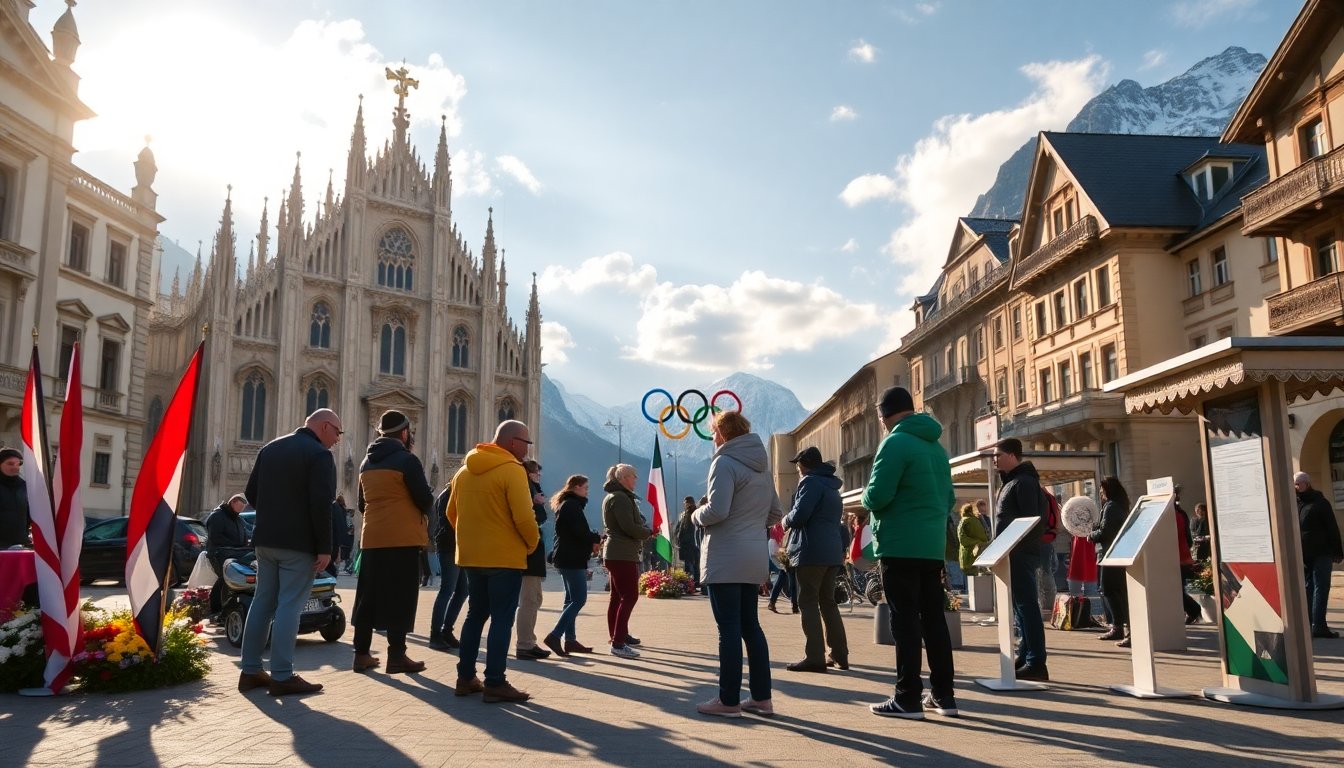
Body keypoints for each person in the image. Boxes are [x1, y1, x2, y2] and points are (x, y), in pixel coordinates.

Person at [861, 386, 958, 719]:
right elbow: (949, 499)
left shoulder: (894, 443)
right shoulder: (936, 448)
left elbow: (878, 496)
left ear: (885, 413)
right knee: (934, 619)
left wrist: (865, 500)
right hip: (931, 546)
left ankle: (907, 697)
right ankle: (945, 696)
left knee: (904, 621)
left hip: (899, 543)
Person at [239, 408, 341, 697]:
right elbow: (321, 505)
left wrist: (274, 513)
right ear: (324, 426)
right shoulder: (319, 456)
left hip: (265, 540)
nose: (336, 440)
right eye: (337, 433)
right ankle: (282, 675)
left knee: (262, 602)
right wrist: (325, 548)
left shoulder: (270, 448)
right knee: (290, 606)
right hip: (297, 545)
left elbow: (251, 494)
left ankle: (250, 671)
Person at [693, 410, 783, 718]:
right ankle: (761, 697)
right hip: (753, 554)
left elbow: (717, 510)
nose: (713, 438)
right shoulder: (761, 466)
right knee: (751, 627)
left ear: (722, 432)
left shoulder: (724, 461)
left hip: (726, 555)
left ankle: (728, 700)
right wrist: (751, 524)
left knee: (728, 629)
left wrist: (696, 515)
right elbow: (775, 513)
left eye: (714, 432)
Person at [446, 419, 540, 704]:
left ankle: (465, 677)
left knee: (475, 614)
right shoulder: (512, 471)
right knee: (502, 618)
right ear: (513, 442)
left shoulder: (463, 472)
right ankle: (495, 682)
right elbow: (524, 517)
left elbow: (451, 514)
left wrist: (472, 539)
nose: (527, 448)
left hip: (471, 558)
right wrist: (532, 543)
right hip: (504, 558)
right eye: (526, 442)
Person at [352, 409, 434, 675]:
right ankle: (396, 656)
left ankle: (361, 654)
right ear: (404, 432)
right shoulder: (407, 461)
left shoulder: (366, 463)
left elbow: (362, 504)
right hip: (402, 538)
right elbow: (424, 498)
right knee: (401, 598)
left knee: (368, 597)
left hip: (372, 538)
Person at [782, 446, 849, 673]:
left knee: (808, 602)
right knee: (828, 603)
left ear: (805, 464)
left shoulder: (809, 482)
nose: (798, 469)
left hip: (811, 552)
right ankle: (839, 654)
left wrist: (784, 521)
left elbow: (800, 515)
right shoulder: (832, 486)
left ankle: (814, 657)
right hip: (831, 552)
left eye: (799, 465)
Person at [991, 437, 1050, 681]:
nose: (995, 459)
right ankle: (1026, 655)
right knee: (1019, 607)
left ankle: (1036, 662)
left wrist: (1014, 546)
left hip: (1020, 552)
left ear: (1013, 455)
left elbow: (1030, 521)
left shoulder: (1024, 482)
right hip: (1011, 552)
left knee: (1027, 605)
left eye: (998, 454)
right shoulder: (1012, 482)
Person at [543, 474, 602, 657]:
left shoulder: (568, 505)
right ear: (576, 487)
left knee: (570, 600)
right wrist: (596, 537)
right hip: (571, 559)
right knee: (579, 599)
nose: (587, 491)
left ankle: (570, 640)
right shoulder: (571, 506)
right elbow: (579, 533)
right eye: (585, 487)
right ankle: (555, 635)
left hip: (566, 557)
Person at [602, 463, 652, 658]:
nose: (636, 480)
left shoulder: (616, 496)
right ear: (623, 478)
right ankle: (618, 643)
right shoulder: (621, 498)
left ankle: (617, 635)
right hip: (621, 553)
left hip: (617, 553)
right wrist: (648, 532)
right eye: (633, 476)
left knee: (617, 597)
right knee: (630, 596)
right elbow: (629, 527)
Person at [1295, 471, 1344, 638]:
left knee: (1320, 587)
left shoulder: (1320, 503)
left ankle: (1318, 625)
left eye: (1298, 484)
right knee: (1309, 588)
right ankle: (1310, 625)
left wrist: (1337, 551)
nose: (1295, 487)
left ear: (1306, 484)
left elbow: (1332, 527)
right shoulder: (1296, 504)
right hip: (1305, 554)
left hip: (1322, 552)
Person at [515, 460, 551, 660]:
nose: (539, 475)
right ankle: (524, 644)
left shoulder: (533, 489)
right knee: (529, 600)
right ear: (528, 473)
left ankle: (529, 640)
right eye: (536, 472)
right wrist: (534, 502)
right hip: (528, 552)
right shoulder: (526, 490)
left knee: (535, 599)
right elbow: (526, 517)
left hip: (533, 551)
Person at [1089, 476, 1131, 648]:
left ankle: (1120, 627)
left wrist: (1091, 535)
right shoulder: (1119, 505)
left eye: (1101, 488)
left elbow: (1106, 532)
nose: (1100, 492)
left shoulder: (1112, 507)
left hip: (1109, 555)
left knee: (1110, 591)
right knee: (1114, 591)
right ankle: (1119, 627)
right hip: (1115, 554)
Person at [428, 482, 468, 652]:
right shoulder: (449, 493)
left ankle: (447, 630)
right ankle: (435, 634)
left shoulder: (456, 491)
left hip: (461, 546)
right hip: (449, 546)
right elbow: (448, 520)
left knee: (463, 590)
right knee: (447, 590)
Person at [204, 493, 251, 617]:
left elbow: (245, 534)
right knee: (224, 578)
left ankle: (227, 607)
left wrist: (245, 545)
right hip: (218, 553)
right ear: (233, 502)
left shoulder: (237, 518)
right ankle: (216, 609)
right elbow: (215, 537)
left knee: (230, 579)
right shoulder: (217, 516)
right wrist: (236, 545)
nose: (239, 512)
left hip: (236, 553)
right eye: (239, 508)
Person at [1172, 487, 1202, 625]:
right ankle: (1192, 611)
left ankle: (1194, 610)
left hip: (1178, 557)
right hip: (1180, 555)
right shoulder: (1180, 513)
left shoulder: (1176, 514)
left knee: (1176, 589)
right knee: (1177, 588)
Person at [0, 447, 30, 549]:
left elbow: (29, 514)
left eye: (18, 464)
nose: (15, 467)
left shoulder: (24, 486)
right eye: (10, 464)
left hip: (20, 544)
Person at [766, 522, 797, 614]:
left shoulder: (779, 525)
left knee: (783, 577)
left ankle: (772, 602)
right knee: (791, 579)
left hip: (776, 548)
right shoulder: (786, 526)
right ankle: (794, 605)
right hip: (781, 550)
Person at [957, 502, 989, 578]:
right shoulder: (969, 521)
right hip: (972, 555)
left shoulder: (967, 520)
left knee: (973, 581)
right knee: (974, 581)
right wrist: (979, 543)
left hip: (971, 555)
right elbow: (963, 539)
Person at [676, 496, 700, 587]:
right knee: (687, 564)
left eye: (687, 503)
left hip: (692, 543)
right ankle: (689, 583)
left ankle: (694, 583)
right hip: (684, 543)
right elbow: (680, 528)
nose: (686, 504)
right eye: (685, 503)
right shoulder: (683, 514)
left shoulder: (694, 512)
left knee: (693, 564)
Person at [328, 494, 353, 578]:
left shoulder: (335, 508)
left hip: (338, 536)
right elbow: (349, 525)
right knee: (344, 555)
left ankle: (338, 570)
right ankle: (345, 568)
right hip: (345, 536)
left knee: (337, 555)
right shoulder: (346, 512)